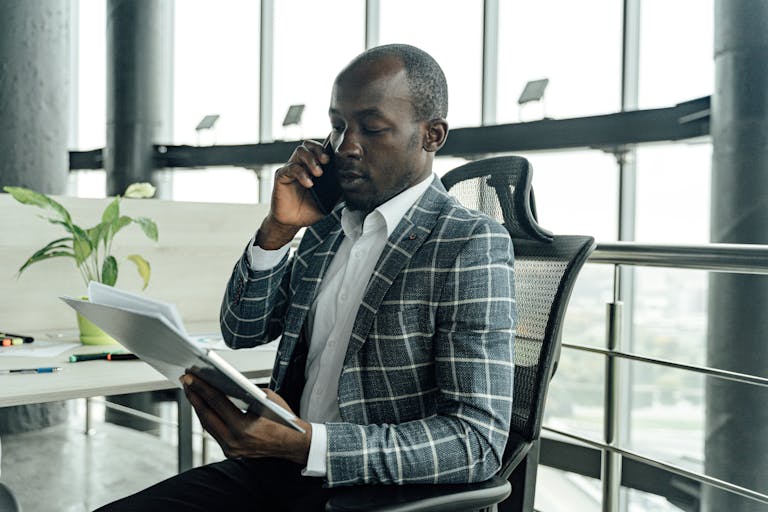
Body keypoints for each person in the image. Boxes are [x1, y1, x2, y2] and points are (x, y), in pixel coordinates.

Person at [99, 43, 516, 512]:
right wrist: (277, 231)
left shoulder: (469, 243)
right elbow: (243, 330)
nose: (345, 148)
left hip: (370, 493)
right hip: (273, 473)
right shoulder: (324, 226)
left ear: (432, 135)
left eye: (372, 129)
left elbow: (475, 442)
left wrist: (306, 443)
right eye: (337, 126)